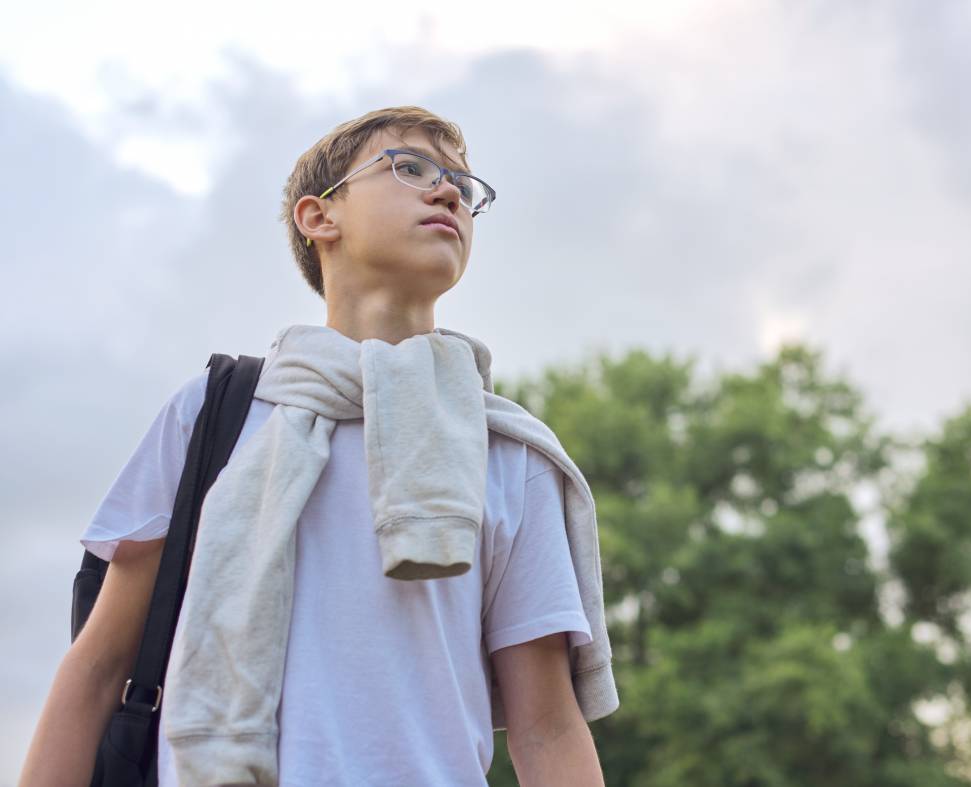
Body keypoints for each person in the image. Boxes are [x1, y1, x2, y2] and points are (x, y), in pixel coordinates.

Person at [20, 106, 614, 786]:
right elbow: (98, 670)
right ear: (318, 217)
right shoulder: (213, 413)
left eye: (463, 184)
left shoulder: (509, 454)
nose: (449, 191)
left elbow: (546, 724)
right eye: (411, 167)